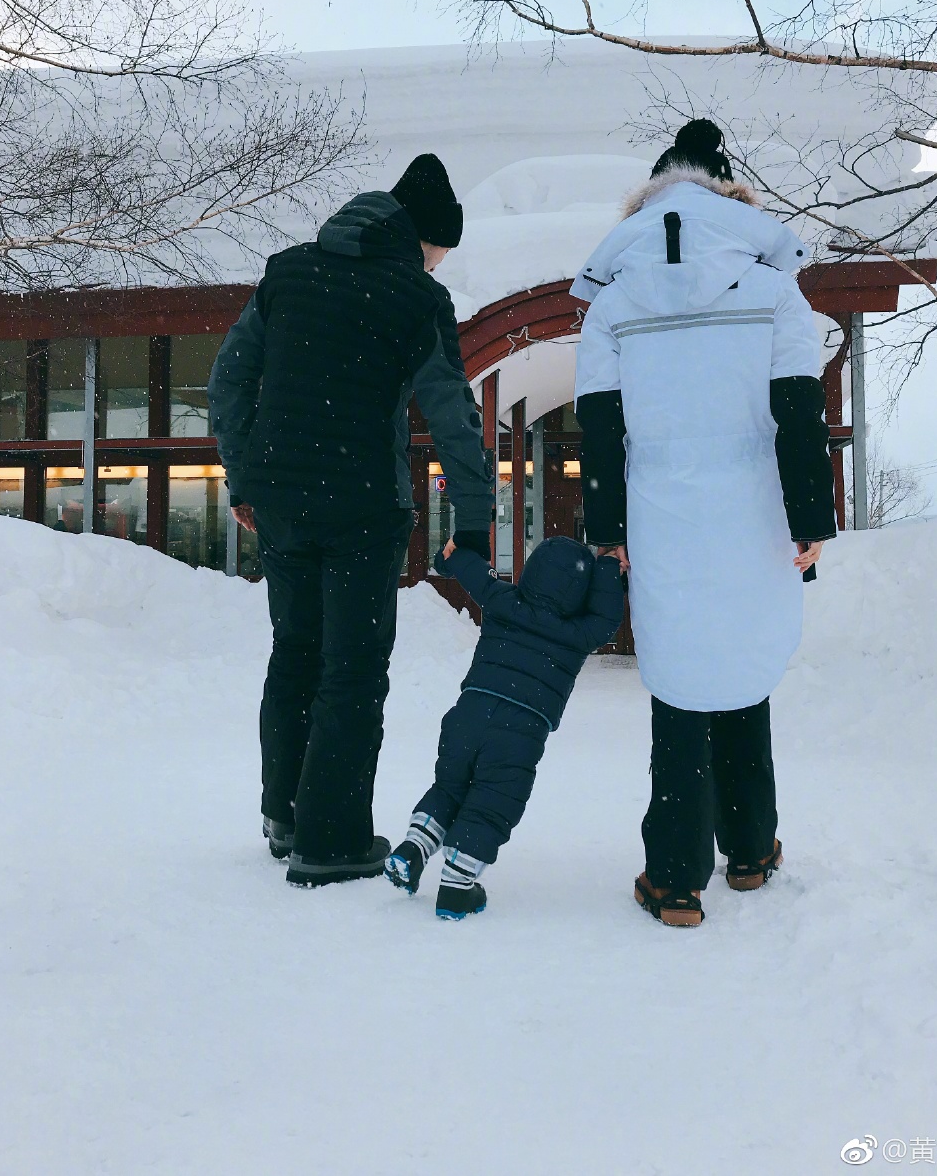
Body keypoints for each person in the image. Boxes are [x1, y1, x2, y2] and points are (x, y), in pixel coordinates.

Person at [572, 118, 837, 928]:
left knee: (680, 683)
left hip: (663, 511)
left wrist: (607, 528)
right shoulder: (771, 290)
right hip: (754, 507)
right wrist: (809, 520)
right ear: (727, 190)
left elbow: (597, 422)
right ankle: (752, 849)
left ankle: (677, 874)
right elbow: (800, 413)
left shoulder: (614, 300)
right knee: (743, 669)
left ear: (650, 195)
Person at [208, 154, 493, 888]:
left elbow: (231, 375)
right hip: (362, 501)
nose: (437, 265)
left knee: (295, 651)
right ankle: (329, 840)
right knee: (353, 666)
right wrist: (476, 517)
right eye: (440, 252)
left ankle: (286, 813)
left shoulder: (289, 272)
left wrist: (244, 474)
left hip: (281, 498)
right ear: (425, 238)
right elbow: (454, 415)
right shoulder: (415, 296)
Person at [383, 536, 625, 919]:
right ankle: (457, 889)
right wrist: (610, 563)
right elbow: (607, 617)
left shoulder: (503, 601)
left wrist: (450, 559)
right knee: (490, 805)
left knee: (449, 788)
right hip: (519, 734)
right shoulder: (578, 633)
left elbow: (472, 572)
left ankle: (412, 850)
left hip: (468, 715)